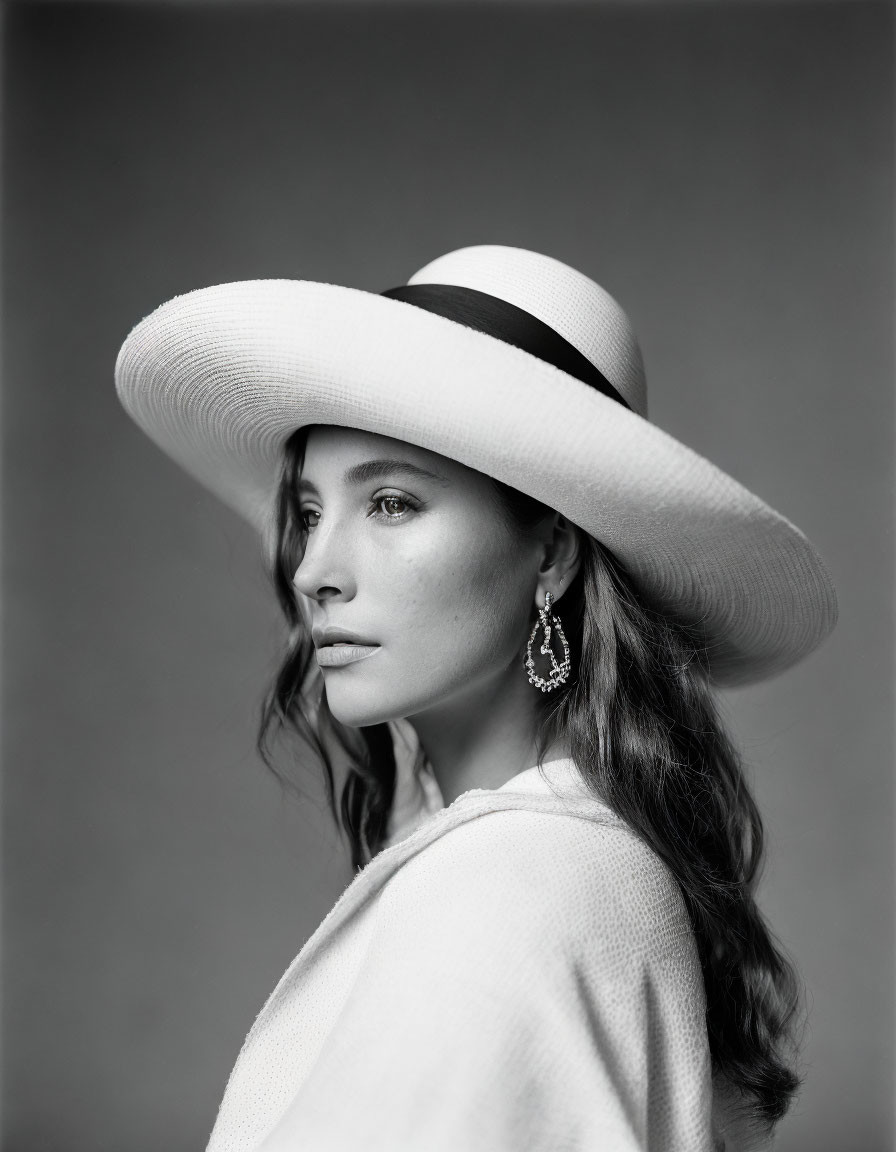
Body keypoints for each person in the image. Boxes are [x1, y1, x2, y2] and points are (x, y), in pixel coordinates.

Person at [115, 244, 837, 1152]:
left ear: (552, 554)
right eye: (307, 513)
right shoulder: (591, 861)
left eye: (390, 503)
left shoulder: (505, 889)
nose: (314, 571)